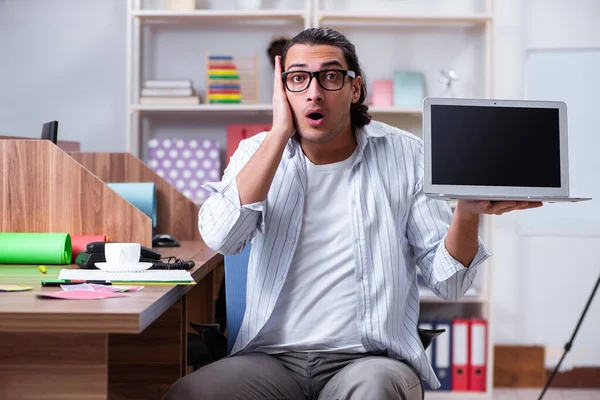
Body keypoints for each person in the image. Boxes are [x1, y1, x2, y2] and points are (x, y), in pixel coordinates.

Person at [164, 27, 542, 400]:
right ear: (283, 93)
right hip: (269, 360)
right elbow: (223, 238)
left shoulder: (408, 155)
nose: (314, 92)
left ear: (355, 88)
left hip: (368, 360)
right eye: (298, 79)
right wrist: (278, 134)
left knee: (374, 390)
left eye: (330, 76)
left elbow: (451, 284)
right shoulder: (255, 154)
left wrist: (468, 211)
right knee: (189, 393)